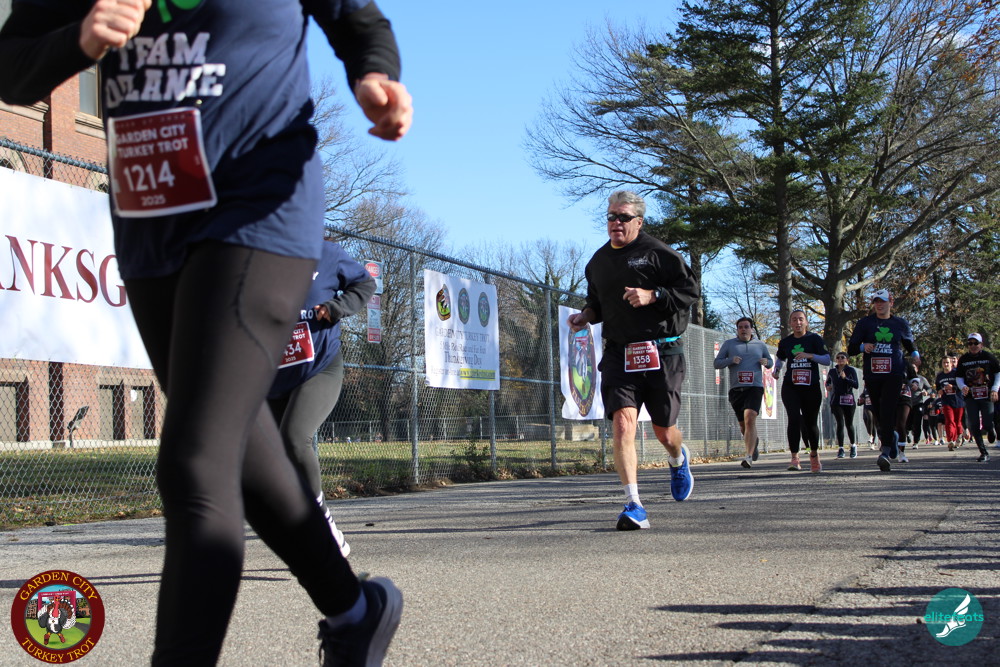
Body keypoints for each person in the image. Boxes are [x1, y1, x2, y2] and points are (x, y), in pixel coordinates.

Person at [0, 2, 413, 664]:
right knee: (241, 451)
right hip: (151, 218)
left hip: (260, 202)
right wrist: (80, 38)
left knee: (194, 460)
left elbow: (358, 20)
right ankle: (356, 611)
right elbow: (11, 66)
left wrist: (374, 74)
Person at [567, 190, 699, 530]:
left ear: (638, 222)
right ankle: (634, 504)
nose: (616, 222)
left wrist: (653, 295)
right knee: (623, 424)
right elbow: (596, 303)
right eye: (611, 216)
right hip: (620, 352)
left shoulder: (659, 254)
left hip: (662, 350)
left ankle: (677, 458)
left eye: (623, 217)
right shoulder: (597, 262)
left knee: (664, 430)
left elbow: (690, 292)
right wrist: (585, 316)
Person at [267, 240, 377, 558]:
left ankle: (322, 523)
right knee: (274, 458)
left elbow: (365, 283)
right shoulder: (252, 257)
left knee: (294, 438)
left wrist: (336, 307)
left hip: (319, 367)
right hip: (272, 374)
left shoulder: (326, 253)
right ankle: (299, 525)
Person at [847, 289, 919, 472]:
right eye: (876, 302)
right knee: (878, 413)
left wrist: (915, 354)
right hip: (873, 374)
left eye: (883, 301)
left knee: (887, 409)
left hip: (894, 374)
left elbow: (909, 343)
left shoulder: (899, 323)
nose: (879, 305)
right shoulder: (865, 323)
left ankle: (885, 452)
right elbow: (851, 348)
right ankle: (891, 438)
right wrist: (863, 346)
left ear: (890, 303)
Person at [772, 310, 831, 472]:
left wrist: (810, 356)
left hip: (811, 387)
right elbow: (781, 358)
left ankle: (814, 455)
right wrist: (776, 370)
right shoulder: (786, 342)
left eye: (800, 319)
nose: (797, 323)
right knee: (793, 419)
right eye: (794, 320)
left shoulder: (814, 339)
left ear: (806, 322)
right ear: (790, 323)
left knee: (810, 423)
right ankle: (794, 458)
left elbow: (827, 360)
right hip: (791, 386)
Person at [714, 317, 773, 469]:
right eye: (740, 327)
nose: (743, 329)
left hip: (755, 387)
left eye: (746, 327)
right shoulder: (729, 344)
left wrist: (766, 362)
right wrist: (730, 360)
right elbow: (717, 363)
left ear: (751, 329)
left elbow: (770, 362)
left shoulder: (760, 345)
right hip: (736, 389)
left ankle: (748, 456)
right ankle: (754, 442)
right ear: (737, 330)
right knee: (743, 425)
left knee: (750, 417)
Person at [955, 333, 999, 462]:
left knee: (987, 422)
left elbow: (998, 374)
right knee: (973, 424)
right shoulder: (963, 359)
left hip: (986, 394)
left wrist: (995, 389)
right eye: (970, 343)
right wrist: (963, 386)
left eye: (976, 343)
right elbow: (959, 377)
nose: (973, 346)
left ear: (981, 345)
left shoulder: (988, 357)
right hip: (971, 395)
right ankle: (983, 452)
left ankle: (990, 429)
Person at [825, 352, 859, 458]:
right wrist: (828, 386)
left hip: (848, 399)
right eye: (838, 357)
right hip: (837, 400)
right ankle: (841, 448)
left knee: (849, 424)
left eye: (842, 357)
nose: (840, 359)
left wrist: (845, 378)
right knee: (840, 423)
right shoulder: (832, 371)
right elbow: (828, 381)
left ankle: (853, 446)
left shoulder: (851, 370)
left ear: (847, 360)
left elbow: (856, 385)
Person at [935, 355, 964, 450]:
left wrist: (953, 387)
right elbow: (938, 386)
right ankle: (951, 440)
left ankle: (959, 436)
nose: (946, 364)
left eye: (947, 362)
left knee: (957, 421)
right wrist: (939, 390)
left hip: (958, 400)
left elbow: (962, 385)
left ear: (951, 363)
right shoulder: (940, 376)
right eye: (944, 363)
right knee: (949, 420)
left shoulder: (956, 373)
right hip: (946, 401)